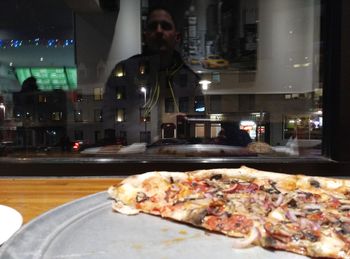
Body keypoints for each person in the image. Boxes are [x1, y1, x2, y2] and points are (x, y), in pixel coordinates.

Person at [102, 6, 201, 144]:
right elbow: (109, 120)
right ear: (145, 36)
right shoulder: (125, 71)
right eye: (153, 27)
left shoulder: (190, 79)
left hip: (178, 156)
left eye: (165, 26)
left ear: (177, 36)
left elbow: (199, 121)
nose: (159, 31)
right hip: (133, 158)